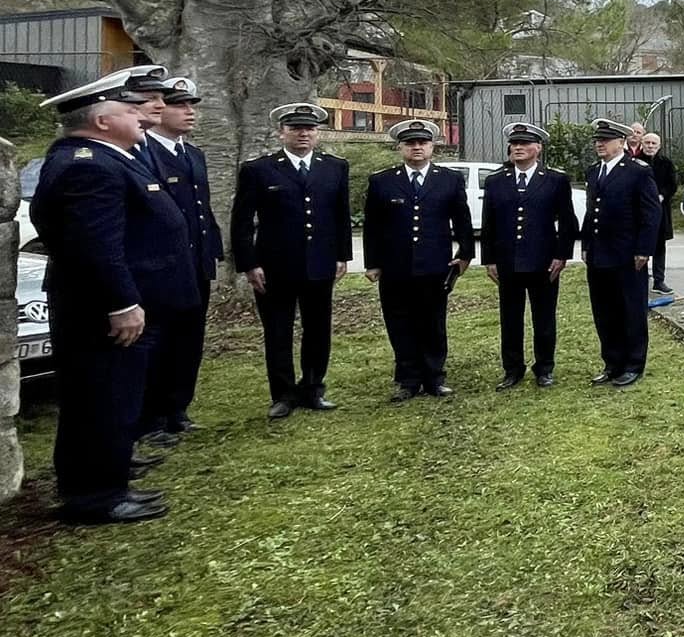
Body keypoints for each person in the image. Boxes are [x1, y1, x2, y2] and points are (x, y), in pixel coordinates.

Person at [28, 71, 199, 523]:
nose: (143, 114)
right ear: (102, 121)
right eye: (130, 109)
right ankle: (94, 497)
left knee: (115, 397)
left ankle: (109, 478)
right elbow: (95, 245)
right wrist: (121, 303)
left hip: (122, 304)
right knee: (101, 399)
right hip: (103, 311)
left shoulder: (107, 157)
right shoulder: (87, 165)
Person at [231, 102, 352, 418]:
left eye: (309, 128)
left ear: (317, 133)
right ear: (281, 132)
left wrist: (342, 256)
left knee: (318, 329)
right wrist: (248, 264)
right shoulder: (259, 169)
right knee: (278, 332)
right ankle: (283, 395)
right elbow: (241, 221)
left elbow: (341, 216)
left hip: (320, 263)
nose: (303, 134)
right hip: (275, 266)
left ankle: (313, 388)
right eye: (296, 128)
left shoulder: (334, 167)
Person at [362, 119, 475, 401]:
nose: (416, 148)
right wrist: (372, 263)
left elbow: (462, 220)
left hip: (435, 265)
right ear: (400, 147)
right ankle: (408, 380)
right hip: (395, 267)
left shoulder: (449, 179)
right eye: (410, 143)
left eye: (422, 143)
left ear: (432, 147)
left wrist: (465, 254)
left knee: (433, 322)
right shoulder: (382, 181)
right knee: (399, 323)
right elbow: (373, 226)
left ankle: (434, 377)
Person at [137, 76, 221, 444]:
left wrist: (211, 252)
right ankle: (151, 418)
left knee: (189, 340)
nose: (189, 112)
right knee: (159, 342)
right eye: (179, 105)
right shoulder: (144, 153)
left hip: (195, 264)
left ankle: (177, 409)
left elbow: (202, 209)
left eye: (191, 105)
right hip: (162, 267)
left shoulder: (193, 154)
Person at [481, 121, 580, 390]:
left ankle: (544, 368)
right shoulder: (496, 181)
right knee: (510, 319)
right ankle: (512, 369)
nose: (518, 148)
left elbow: (567, 222)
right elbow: (489, 223)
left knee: (544, 318)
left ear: (538, 148)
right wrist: (489, 259)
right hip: (508, 262)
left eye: (524, 143)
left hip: (544, 262)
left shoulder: (555, 180)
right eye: (514, 144)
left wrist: (561, 256)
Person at [581, 119, 662, 386]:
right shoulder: (594, 172)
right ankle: (612, 363)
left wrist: (644, 249)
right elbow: (591, 211)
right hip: (599, 253)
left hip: (627, 254)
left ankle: (633, 364)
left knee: (631, 310)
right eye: (597, 140)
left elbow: (651, 213)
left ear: (621, 142)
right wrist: (586, 245)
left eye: (605, 140)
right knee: (604, 312)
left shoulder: (637, 171)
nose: (600, 144)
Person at [635, 131, 679, 295]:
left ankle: (659, 281)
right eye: (647, 143)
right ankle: (640, 280)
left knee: (660, 247)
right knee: (640, 246)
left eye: (654, 143)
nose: (650, 146)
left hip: (661, 211)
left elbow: (672, 185)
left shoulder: (666, 163)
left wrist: (661, 195)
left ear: (659, 146)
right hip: (639, 212)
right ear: (642, 144)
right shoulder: (634, 162)